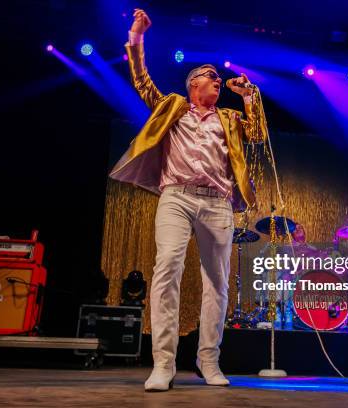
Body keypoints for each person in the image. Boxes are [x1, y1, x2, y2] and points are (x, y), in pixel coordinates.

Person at [109, 9, 268, 391]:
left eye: (218, 77)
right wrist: (136, 35)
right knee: (167, 268)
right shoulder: (172, 107)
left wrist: (250, 95)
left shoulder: (229, 118)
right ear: (193, 84)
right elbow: (141, 80)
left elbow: (259, 135)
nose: (217, 80)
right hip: (176, 197)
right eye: (209, 76)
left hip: (217, 202)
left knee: (218, 283)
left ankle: (208, 361)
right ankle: (163, 363)